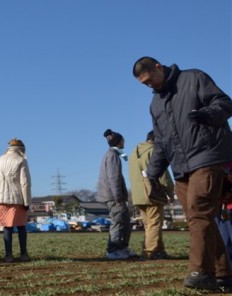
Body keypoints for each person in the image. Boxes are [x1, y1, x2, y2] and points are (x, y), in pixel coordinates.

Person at [133, 56, 232, 291]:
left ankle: (200, 272)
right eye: (144, 84)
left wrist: (208, 115)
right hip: (180, 168)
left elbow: (226, 104)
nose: (149, 86)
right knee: (200, 220)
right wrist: (153, 172)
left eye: (150, 80)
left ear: (158, 67)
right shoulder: (155, 104)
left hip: (207, 157)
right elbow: (162, 142)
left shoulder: (194, 78)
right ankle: (223, 273)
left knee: (199, 213)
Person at [128, 130, 174, 259]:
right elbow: (163, 175)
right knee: (155, 223)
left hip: (138, 194)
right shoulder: (153, 151)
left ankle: (159, 250)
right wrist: (170, 192)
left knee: (149, 224)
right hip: (152, 193)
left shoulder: (134, 153)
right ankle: (149, 252)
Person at [97, 129, 136, 260]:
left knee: (124, 222)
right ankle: (113, 250)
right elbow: (114, 178)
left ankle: (122, 248)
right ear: (118, 141)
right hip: (113, 197)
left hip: (112, 196)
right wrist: (118, 196)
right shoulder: (113, 155)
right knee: (118, 222)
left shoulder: (112, 154)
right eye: (123, 139)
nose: (124, 141)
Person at [0, 138, 32, 263]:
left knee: (7, 227)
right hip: (17, 198)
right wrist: (27, 202)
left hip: (0, 197)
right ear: (21, 149)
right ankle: (23, 254)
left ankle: (8, 255)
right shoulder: (21, 160)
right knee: (21, 226)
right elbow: (25, 183)